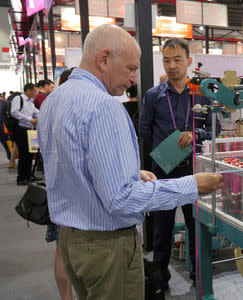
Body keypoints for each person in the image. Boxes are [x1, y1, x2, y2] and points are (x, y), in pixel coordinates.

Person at [37, 24, 222, 300]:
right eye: (131, 68)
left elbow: (74, 162)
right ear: (104, 58)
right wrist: (192, 186)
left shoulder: (54, 100)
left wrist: (130, 172)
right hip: (106, 247)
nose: (134, 79)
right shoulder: (105, 106)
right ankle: (162, 277)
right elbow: (120, 199)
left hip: (71, 241)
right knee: (162, 232)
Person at [139, 38, 221, 290]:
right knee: (161, 229)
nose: (172, 65)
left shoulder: (204, 95)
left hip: (194, 169)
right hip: (162, 170)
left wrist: (197, 135)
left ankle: (199, 273)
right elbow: (144, 131)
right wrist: (160, 155)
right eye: (166, 60)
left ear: (188, 61)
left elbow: (215, 129)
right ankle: (160, 278)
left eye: (177, 60)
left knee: (195, 224)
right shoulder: (153, 96)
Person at [43, 68, 75, 300]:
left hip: (56, 188)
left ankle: (66, 298)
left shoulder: (50, 106)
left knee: (60, 250)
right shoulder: (78, 107)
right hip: (78, 190)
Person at [11, 83, 38, 185]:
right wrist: (29, 119)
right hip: (21, 130)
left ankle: (29, 175)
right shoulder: (19, 99)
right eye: (35, 91)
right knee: (24, 155)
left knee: (30, 154)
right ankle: (21, 178)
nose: (36, 93)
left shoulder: (30, 103)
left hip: (30, 130)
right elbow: (14, 112)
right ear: (29, 90)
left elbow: (37, 112)